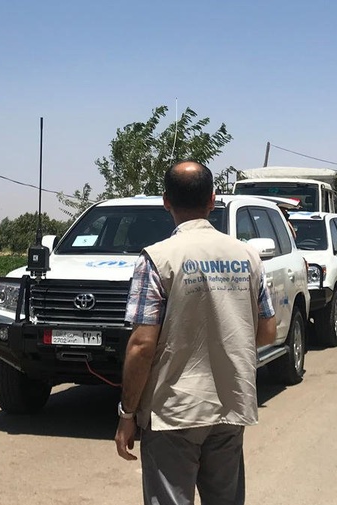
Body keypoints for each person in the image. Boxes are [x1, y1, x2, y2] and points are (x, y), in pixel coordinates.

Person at [115, 161, 277, 505]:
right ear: (213, 200)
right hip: (232, 404)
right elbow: (267, 333)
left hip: (174, 412)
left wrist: (127, 415)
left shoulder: (157, 259)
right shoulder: (248, 256)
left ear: (166, 202)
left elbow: (141, 346)